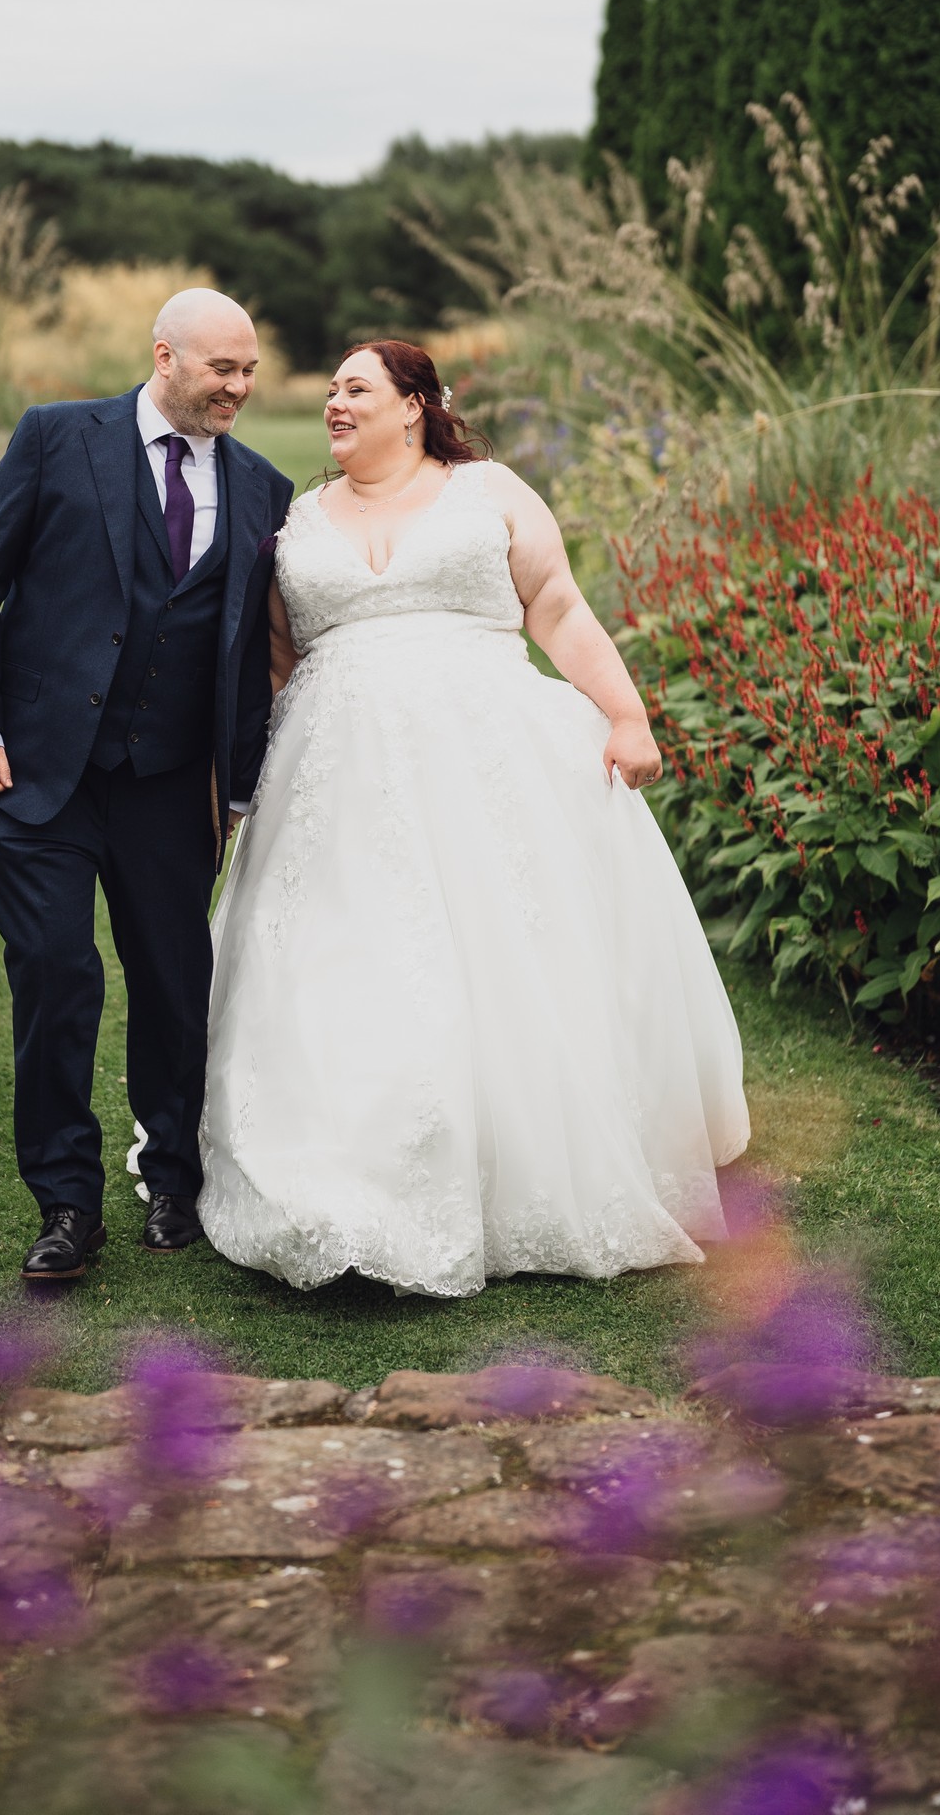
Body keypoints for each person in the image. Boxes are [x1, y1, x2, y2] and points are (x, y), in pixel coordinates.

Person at [199, 339, 749, 1298]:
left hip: (487, 759)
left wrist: (625, 715)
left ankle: (517, 1159)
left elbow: (559, 606)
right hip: (335, 779)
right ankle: (338, 1177)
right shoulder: (298, 519)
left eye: (356, 389)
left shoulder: (487, 490)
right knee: (343, 959)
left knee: (504, 957)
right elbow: (279, 663)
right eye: (327, 390)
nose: (334, 402)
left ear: (414, 405)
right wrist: (240, 784)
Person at [0, 289, 293, 1281]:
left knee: (178, 987)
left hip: (169, 782)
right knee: (57, 974)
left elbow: (245, 648)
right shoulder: (57, 438)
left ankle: (172, 1173)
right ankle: (65, 1202)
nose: (239, 387)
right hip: (33, 769)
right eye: (222, 369)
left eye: (250, 369)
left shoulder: (263, 488)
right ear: (165, 355)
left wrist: (237, 786)